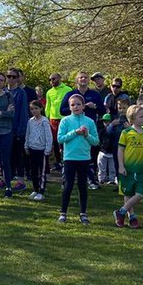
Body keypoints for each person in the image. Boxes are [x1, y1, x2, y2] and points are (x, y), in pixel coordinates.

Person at [57, 93, 98, 223]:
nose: (75, 107)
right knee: (68, 185)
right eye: (72, 105)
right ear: (69, 107)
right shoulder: (65, 121)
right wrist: (74, 132)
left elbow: (95, 141)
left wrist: (86, 135)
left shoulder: (89, 122)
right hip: (69, 158)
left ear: (83, 106)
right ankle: (63, 213)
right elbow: (60, 138)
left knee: (82, 186)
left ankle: (83, 213)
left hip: (84, 158)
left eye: (78, 104)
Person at [45, 72, 70, 170]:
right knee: (55, 141)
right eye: (50, 80)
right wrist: (47, 118)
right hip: (53, 119)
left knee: (65, 140)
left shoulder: (68, 90)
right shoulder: (49, 92)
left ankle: (66, 160)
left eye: (54, 79)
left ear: (60, 78)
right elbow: (48, 106)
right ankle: (58, 162)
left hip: (64, 118)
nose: (52, 81)